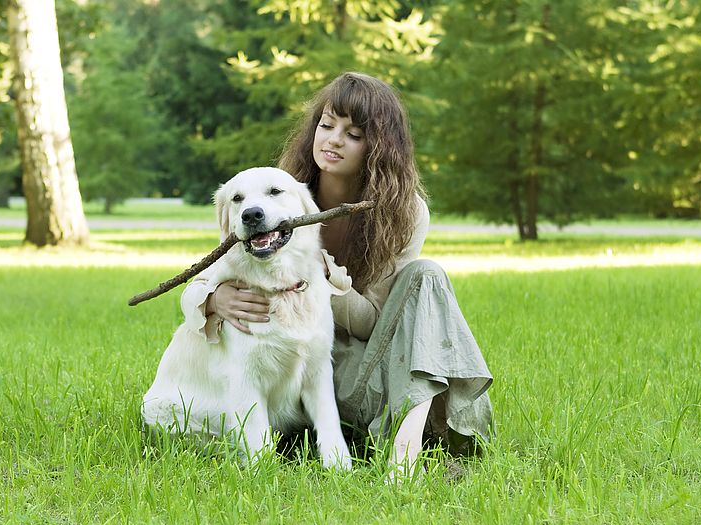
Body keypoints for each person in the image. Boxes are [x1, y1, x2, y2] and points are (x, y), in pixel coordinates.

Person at [182, 72, 493, 480]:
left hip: (365, 367)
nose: (332, 140)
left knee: (426, 276)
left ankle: (406, 448)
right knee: (426, 279)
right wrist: (214, 300)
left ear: (379, 145)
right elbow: (209, 275)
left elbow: (377, 327)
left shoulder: (406, 213)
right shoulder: (282, 194)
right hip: (304, 376)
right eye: (326, 126)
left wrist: (330, 287)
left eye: (353, 133)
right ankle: (395, 444)